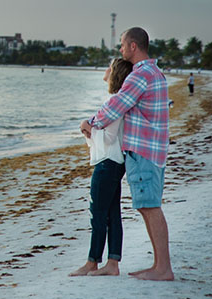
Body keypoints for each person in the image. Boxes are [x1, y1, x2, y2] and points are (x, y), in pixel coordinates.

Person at [79, 26, 174, 281]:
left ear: (133, 46)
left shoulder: (140, 75)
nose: (120, 50)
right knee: (147, 206)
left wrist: (89, 122)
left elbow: (116, 106)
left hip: (143, 150)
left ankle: (163, 268)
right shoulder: (154, 73)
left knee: (150, 207)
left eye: (122, 45)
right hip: (152, 150)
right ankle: (159, 266)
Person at [70, 57, 133, 277]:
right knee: (112, 213)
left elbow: (108, 136)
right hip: (114, 161)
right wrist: (89, 128)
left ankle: (92, 262)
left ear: (115, 73)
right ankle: (112, 263)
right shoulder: (117, 100)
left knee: (98, 213)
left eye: (109, 66)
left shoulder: (114, 101)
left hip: (108, 163)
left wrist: (87, 127)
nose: (105, 70)